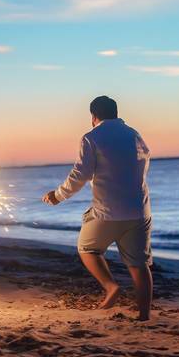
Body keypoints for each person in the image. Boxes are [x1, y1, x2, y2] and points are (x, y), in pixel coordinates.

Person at [42, 96, 154, 321]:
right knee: (139, 264)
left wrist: (57, 195)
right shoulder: (135, 135)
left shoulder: (91, 138)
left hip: (108, 212)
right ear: (115, 112)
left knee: (87, 249)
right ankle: (144, 315)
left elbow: (80, 174)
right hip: (139, 211)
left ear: (93, 116)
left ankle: (111, 287)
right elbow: (143, 164)